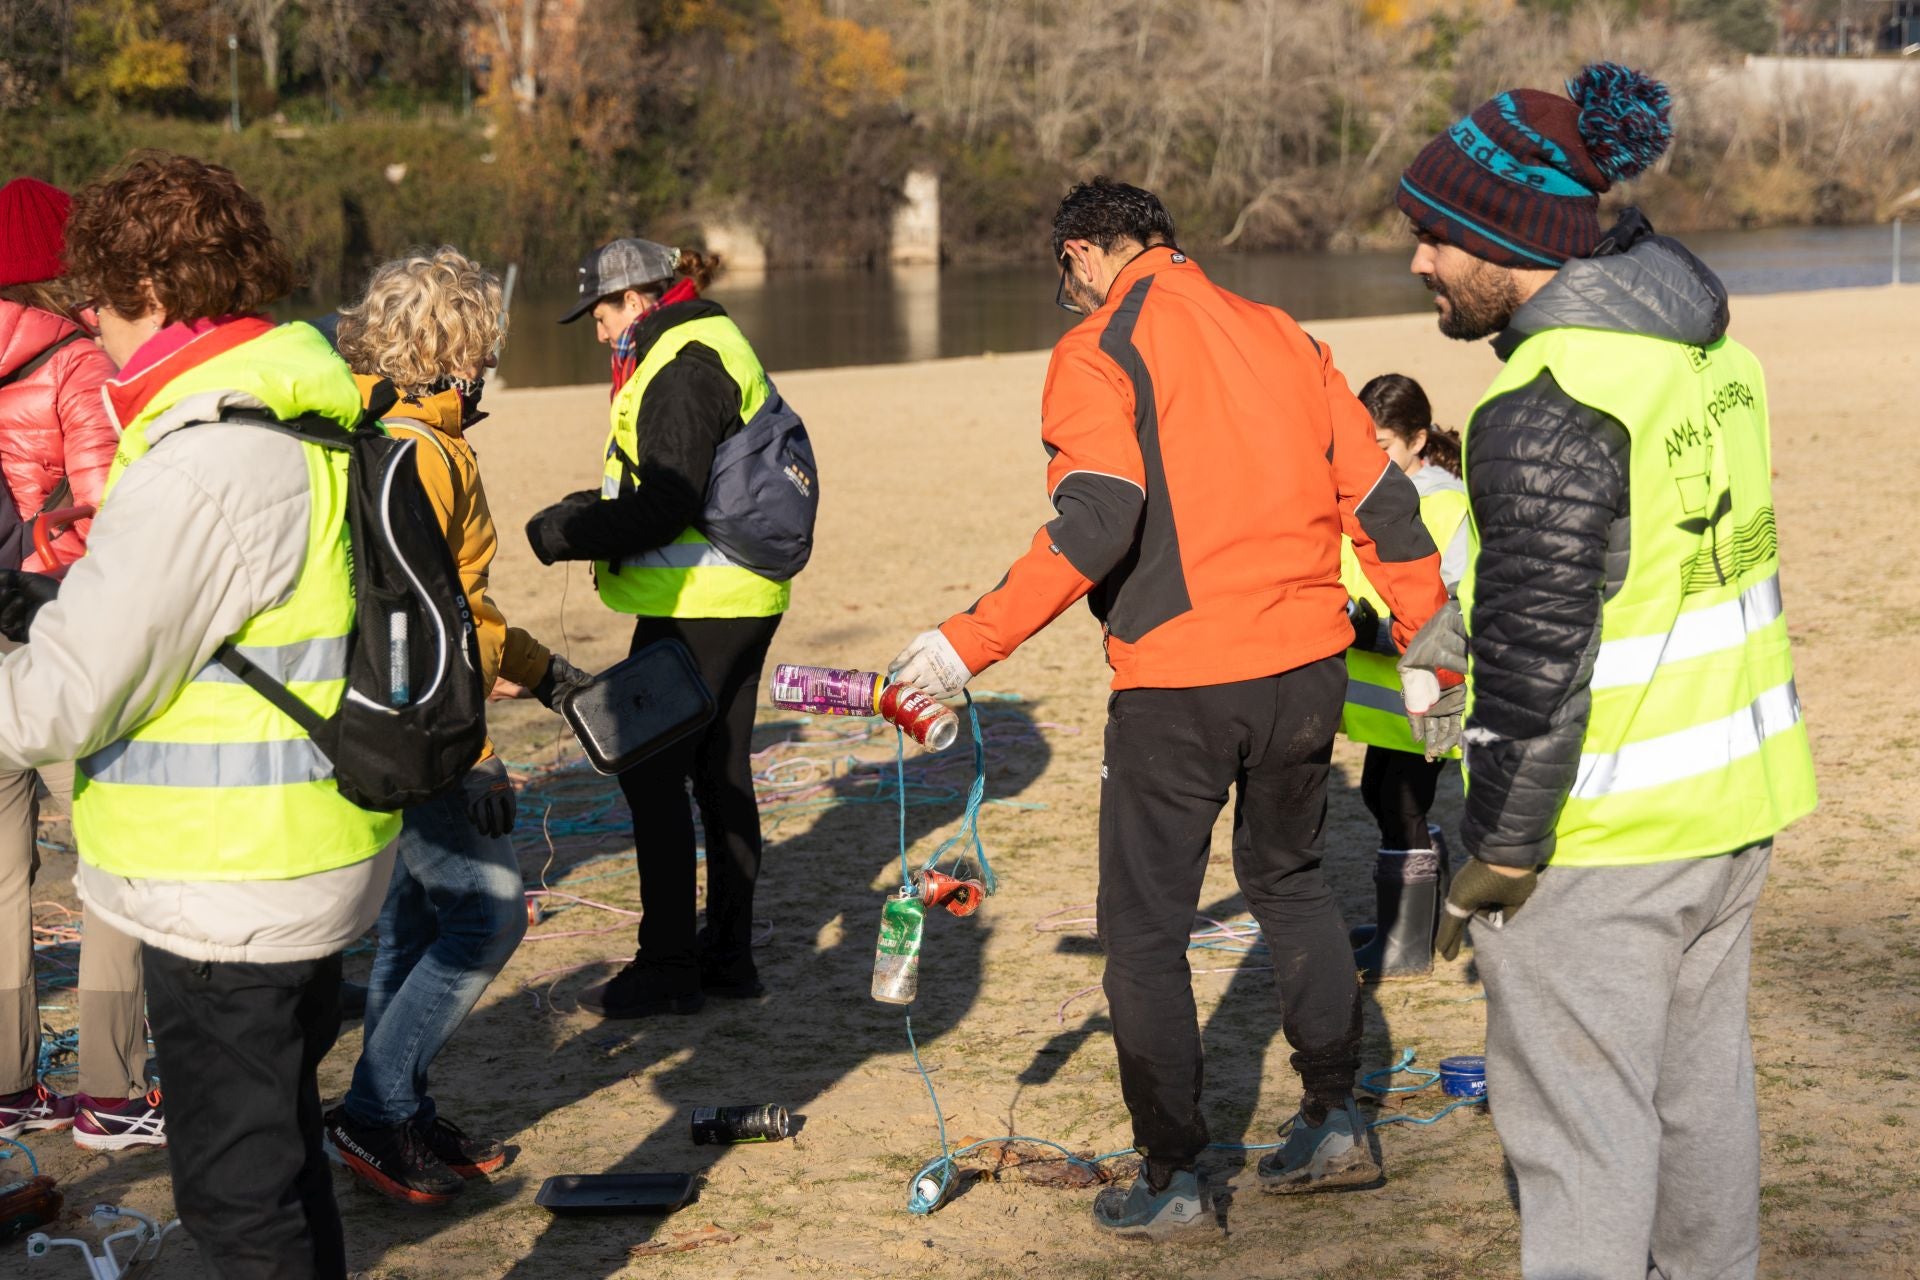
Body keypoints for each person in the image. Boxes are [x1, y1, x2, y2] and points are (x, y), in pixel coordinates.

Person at [885, 178, 1449, 1240]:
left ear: (1085, 252)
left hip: (1183, 678)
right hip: (1309, 670)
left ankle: (1176, 1176)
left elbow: (1100, 516)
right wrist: (1431, 635)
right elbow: (1378, 496)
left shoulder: (1099, 347)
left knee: (1143, 933)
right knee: (1288, 882)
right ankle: (1335, 1118)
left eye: (1066, 271)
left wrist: (966, 642)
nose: (1069, 289)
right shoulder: (1282, 332)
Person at [1394, 64, 1817, 1279]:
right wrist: (1466, 617)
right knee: (1699, 1108)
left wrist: (1496, 855)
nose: (1419, 263)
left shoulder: (1548, 398)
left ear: (1505, 238)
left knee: (1581, 1139)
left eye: (1433, 236)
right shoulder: (1702, 352)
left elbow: (1543, 662)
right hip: (1732, 807)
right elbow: (1641, 559)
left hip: (1601, 835)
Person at [0, 153, 406, 1278]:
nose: (89, 319)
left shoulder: (201, 459)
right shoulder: (300, 409)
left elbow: (65, 694)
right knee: (280, 1163)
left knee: (237, 1207)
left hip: (229, 890)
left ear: (153, 291)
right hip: (302, 858)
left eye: (99, 295)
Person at [322, 248, 583, 1204]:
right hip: (427, 719)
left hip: (384, 709)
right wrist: (486, 740)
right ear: (458, 351)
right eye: (485, 351)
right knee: (485, 913)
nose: (492, 371)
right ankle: (376, 1111)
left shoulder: (374, 429)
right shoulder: (427, 453)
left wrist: (540, 673)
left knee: (416, 915)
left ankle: (401, 1107)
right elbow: (443, 615)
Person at [524, 240, 785, 1017]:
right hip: (735, 593)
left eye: (601, 315)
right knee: (719, 771)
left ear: (637, 301)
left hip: (702, 598)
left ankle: (669, 964)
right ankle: (728, 959)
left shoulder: (681, 361)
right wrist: (584, 508)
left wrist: (566, 535)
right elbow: (669, 479)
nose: (599, 332)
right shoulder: (698, 343)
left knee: (647, 767)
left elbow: (667, 503)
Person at [0, 175, 161, 1149]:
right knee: (112, 853)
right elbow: (101, 524)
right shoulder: (75, 363)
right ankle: (113, 1087)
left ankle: (8, 1083)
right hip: (49, 629)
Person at [1338, 374, 1468, 981]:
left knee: (1401, 801)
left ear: (1418, 440)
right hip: (1387, 688)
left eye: (1382, 444)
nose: (1371, 456)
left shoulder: (1445, 503)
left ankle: (1406, 946)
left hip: (1434, 682)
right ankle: (1417, 919)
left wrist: (1378, 631)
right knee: (1379, 796)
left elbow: (1455, 604)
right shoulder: (1366, 493)